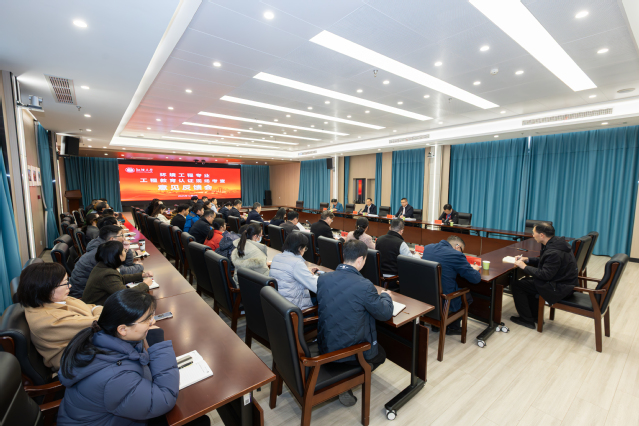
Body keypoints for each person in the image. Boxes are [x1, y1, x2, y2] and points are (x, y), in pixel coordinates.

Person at [56, 290, 182, 425]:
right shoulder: (116, 377)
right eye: (147, 319)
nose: (153, 321)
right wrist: (158, 345)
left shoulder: (99, 337)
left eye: (152, 316)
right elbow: (165, 399)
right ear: (122, 329)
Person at [316, 240, 393, 406]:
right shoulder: (364, 285)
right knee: (380, 354)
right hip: (350, 354)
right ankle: (348, 382)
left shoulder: (323, 279)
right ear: (360, 260)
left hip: (325, 345)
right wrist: (386, 296)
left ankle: (345, 378)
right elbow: (385, 313)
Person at [17, 263, 102, 370]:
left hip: (88, 348)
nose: (69, 286)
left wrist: (95, 311)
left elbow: (93, 307)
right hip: (78, 363)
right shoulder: (52, 320)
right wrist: (95, 312)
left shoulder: (55, 300)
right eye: (65, 283)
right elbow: (101, 322)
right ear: (46, 288)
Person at [510, 223, 578, 329]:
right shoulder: (556, 244)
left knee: (517, 285)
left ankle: (527, 320)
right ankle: (535, 316)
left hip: (560, 288)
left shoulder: (554, 252)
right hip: (563, 282)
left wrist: (524, 267)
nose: (532, 235)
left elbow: (545, 275)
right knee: (527, 283)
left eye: (534, 233)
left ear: (542, 235)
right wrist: (527, 259)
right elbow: (546, 261)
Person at [421, 236, 481, 334]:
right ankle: (452, 327)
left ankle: (436, 325)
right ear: (458, 247)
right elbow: (475, 279)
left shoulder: (428, 248)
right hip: (444, 301)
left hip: (425, 297)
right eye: (462, 251)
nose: (462, 253)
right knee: (467, 296)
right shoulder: (456, 255)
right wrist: (475, 269)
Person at [68, 225, 146, 299]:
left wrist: (125, 249)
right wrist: (140, 269)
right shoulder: (102, 253)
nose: (123, 238)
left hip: (91, 291)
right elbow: (122, 273)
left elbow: (124, 268)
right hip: (83, 295)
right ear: (112, 239)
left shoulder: (103, 248)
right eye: (121, 235)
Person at [82, 241, 152, 306]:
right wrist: (145, 285)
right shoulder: (108, 274)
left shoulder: (102, 266)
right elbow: (125, 295)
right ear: (118, 255)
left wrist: (142, 275)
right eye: (124, 250)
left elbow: (120, 278)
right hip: (97, 310)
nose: (125, 252)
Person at [269, 233, 319, 310]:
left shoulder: (277, 257)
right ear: (299, 248)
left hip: (280, 305)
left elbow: (290, 274)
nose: (304, 250)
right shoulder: (297, 263)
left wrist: (306, 271)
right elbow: (316, 287)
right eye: (305, 248)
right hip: (295, 308)